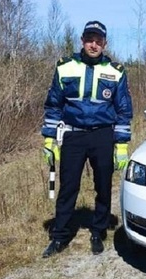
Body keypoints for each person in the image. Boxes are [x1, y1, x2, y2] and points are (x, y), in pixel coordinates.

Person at [41, 20, 133, 258]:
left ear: (104, 43)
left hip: (103, 135)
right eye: (89, 39)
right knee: (68, 186)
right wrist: (49, 139)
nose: (93, 45)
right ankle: (60, 236)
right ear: (82, 40)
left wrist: (121, 143)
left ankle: (98, 230)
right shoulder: (64, 67)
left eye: (98, 40)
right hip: (73, 134)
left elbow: (123, 109)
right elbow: (54, 105)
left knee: (103, 185)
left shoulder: (116, 71)